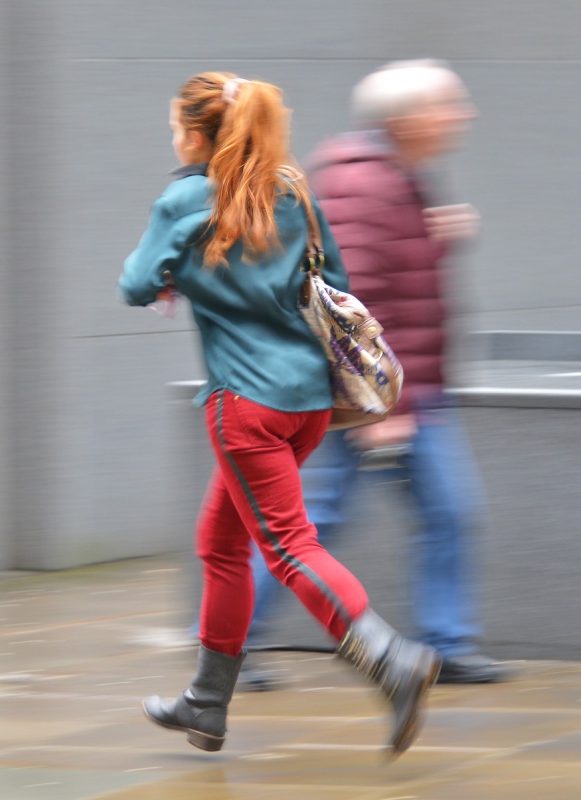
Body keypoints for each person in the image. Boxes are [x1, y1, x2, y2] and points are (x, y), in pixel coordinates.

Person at [118, 71, 441, 758]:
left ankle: (390, 659)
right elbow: (339, 286)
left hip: (245, 405)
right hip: (307, 405)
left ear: (198, 135)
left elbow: (135, 284)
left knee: (289, 545)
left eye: (179, 129)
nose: (175, 139)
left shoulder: (184, 198)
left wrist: (186, 270)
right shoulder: (291, 189)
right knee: (220, 543)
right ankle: (206, 703)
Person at [243, 59, 509, 685]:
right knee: (308, 526)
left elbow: (392, 279)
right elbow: (348, 298)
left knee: (449, 512)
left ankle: (446, 645)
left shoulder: (398, 178)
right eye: (449, 103)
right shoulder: (364, 183)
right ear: (409, 119)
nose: (461, 115)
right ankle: (227, 647)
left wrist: (437, 237)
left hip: (406, 391)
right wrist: (377, 407)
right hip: (366, 398)